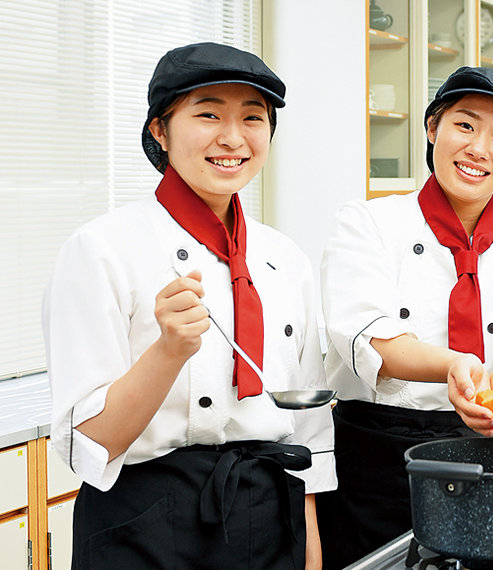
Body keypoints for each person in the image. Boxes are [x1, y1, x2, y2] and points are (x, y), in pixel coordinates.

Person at [42, 42, 336, 570]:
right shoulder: (100, 250)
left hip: (270, 514)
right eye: (208, 114)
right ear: (160, 129)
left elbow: (306, 423)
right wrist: (169, 351)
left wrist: (310, 543)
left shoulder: (284, 257)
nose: (232, 137)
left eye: (252, 117)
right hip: (142, 519)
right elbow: (86, 445)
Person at [316, 66, 493, 569]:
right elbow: (370, 336)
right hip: (380, 458)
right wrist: (453, 365)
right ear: (433, 127)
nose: (480, 148)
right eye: (465, 125)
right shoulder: (367, 223)